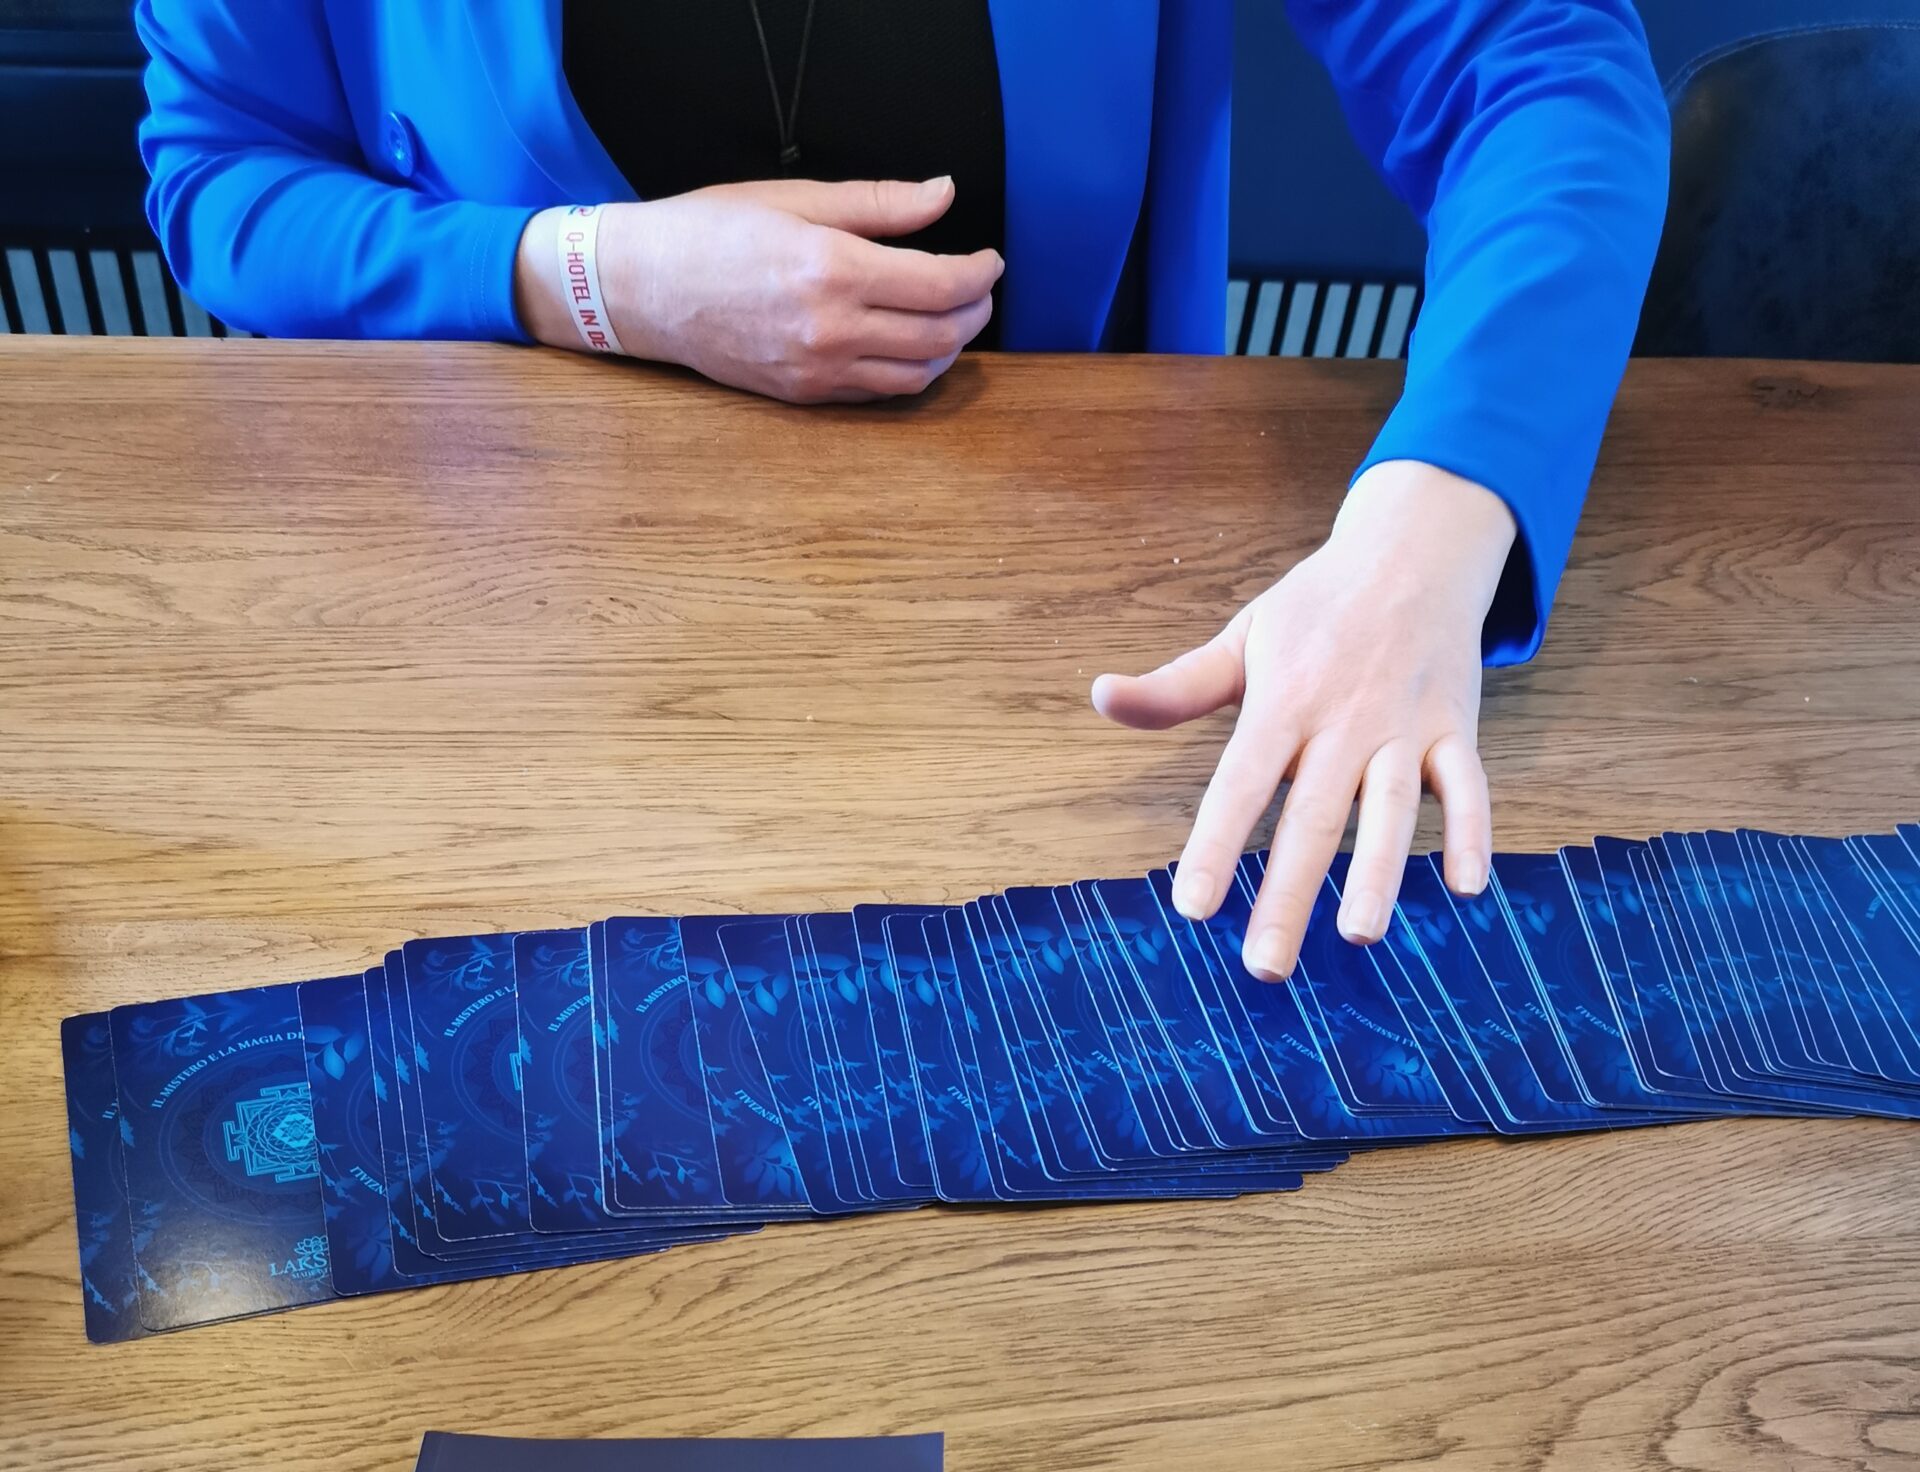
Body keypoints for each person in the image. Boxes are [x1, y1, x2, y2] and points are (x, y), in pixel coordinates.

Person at [135, 1, 1668, 979]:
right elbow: (222, 171)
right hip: (504, 656)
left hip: (1068, 639)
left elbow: (1536, 68)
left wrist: (1436, 517)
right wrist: (582, 274)